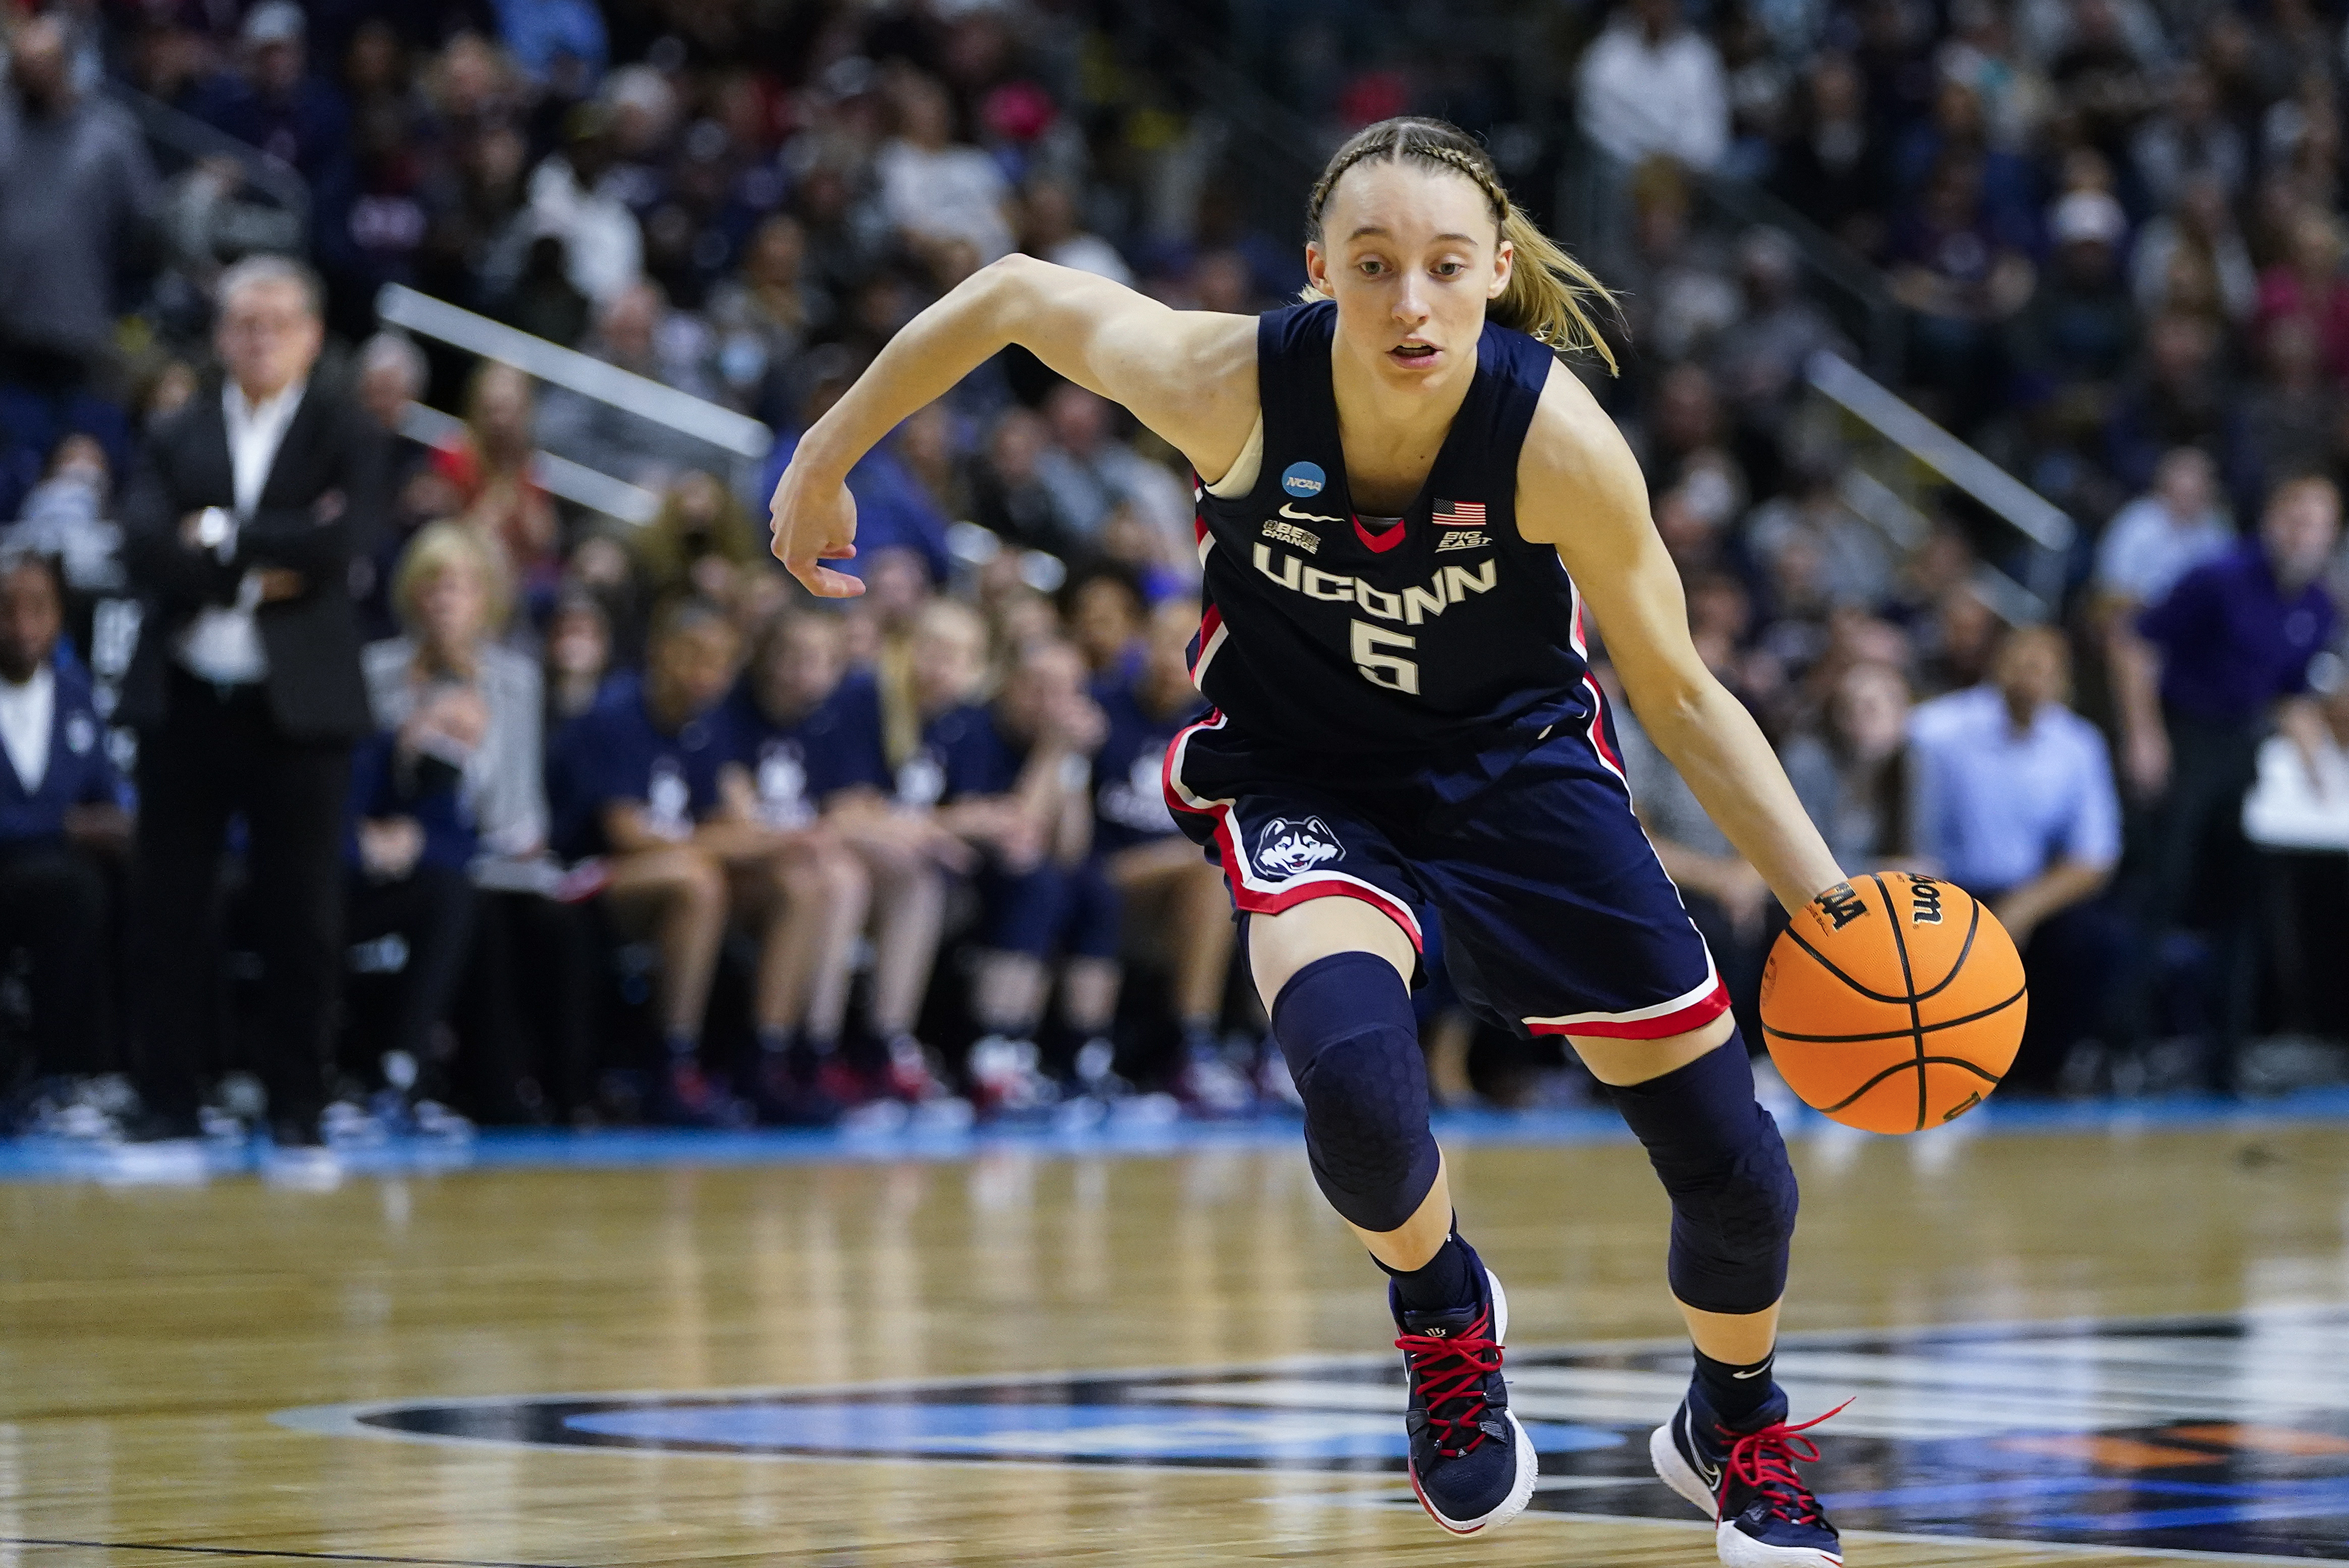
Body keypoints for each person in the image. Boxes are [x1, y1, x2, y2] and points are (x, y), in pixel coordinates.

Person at [771, 117, 1854, 1559]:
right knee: (1350, 1080)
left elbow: (1677, 694)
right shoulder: (1228, 381)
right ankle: (1440, 1314)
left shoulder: (1555, 441)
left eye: (1444, 268)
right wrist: (822, 455)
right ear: (1316, 275)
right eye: (1373, 265)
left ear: (1493, 273)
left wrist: (1829, 901)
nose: (1409, 302)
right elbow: (1016, 290)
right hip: (1306, 775)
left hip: (1517, 778)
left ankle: (1733, 1415)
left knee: (1736, 1168)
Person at [118, 256, 382, 1173]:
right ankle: (167, 1110)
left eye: (278, 321)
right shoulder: (176, 425)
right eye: (243, 320)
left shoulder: (345, 425)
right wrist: (274, 558)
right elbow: (145, 542)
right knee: (169, 911)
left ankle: (298, 1115)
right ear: (221, 333)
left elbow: (345, 541)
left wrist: (222, 533)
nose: (259, 335)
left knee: (301, 916)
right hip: (187, 696)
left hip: (298, 711)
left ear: (312, 335)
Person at [546, 598, 853, 1127]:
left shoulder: (707, 726)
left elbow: (728, 824)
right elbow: (629, 835)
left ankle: (767, 1056)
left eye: (719, 661)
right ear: (660, 653)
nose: (705, 673)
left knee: (801, 884)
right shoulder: (616, 715)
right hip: (583, 875)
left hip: (678, 863)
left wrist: (777, 842)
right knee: (698, 881)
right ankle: (670, 1061)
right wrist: (741, 841)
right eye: (693, 655)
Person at [2113, 472, 2340, 1085]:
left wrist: (2320, 771)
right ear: (2271, 518)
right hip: (2186, 735)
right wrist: (2144, 734)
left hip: (2244, 751)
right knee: (2163, 888)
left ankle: (2228, 1052)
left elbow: (2291, 698)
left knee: (2248, 896)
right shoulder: (2219, 576)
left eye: (2317, 523)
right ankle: (2123, 1045)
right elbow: (2135, 645)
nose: (2303, 532)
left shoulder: (2317, 605)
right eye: (2295, 517)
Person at [1908, 627, 2124, 1090]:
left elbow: (2095, 856)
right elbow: (1910, 830)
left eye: (2044, 668)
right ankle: (1936, 1069)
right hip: (1944, 890)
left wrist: (2021, 909)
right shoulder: (1936, 731)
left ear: (2064, 681)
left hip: (2030, 893)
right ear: (1996, 667)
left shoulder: (2079, 744)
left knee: (2096, 939)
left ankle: (2042, 1069)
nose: (2031, 677)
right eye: (2022, 663)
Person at [0, 550, 129, 1092]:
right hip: (12, 866)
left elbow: (105, 789)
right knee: (73, 888)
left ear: (60, 617)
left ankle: (123, 1067)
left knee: (143, 879)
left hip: (71, 871)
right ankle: (61, 1068)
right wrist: (60, 826)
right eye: (8, 610)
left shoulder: (78, 697)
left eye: (39, 609)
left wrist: (123, 822)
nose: (25, 626)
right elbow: (67, 818)